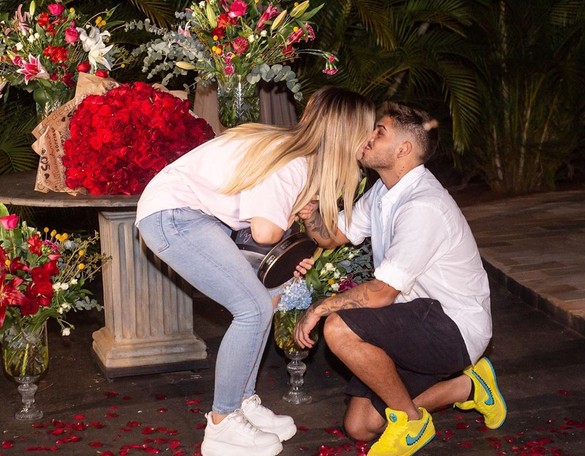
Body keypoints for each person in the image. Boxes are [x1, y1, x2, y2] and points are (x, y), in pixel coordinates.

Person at [135, 86, 376, 456]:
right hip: (175, 216)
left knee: (262, 299)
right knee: (253, 310)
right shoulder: (293, 163)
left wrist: (292, 228)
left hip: (187, 214)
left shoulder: (294, 152)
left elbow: (257, 232)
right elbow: (264, 232)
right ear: (347, 134)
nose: (370, 141)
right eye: (367, 132)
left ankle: (242, 402)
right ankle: (222, 425)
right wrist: (296, 214)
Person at [294, 102, 507, 456]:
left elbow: (381, 292)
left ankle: (411, 421)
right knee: (360, 427)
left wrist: (318, 308)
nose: (368, 137)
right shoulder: (384, 191)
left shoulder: (422, 205)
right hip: (413, 318)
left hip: (451, 325)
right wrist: (312, 214)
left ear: (403, 150)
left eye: (379, 132)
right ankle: (469, 387)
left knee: (338, 326)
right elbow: (334, 236)